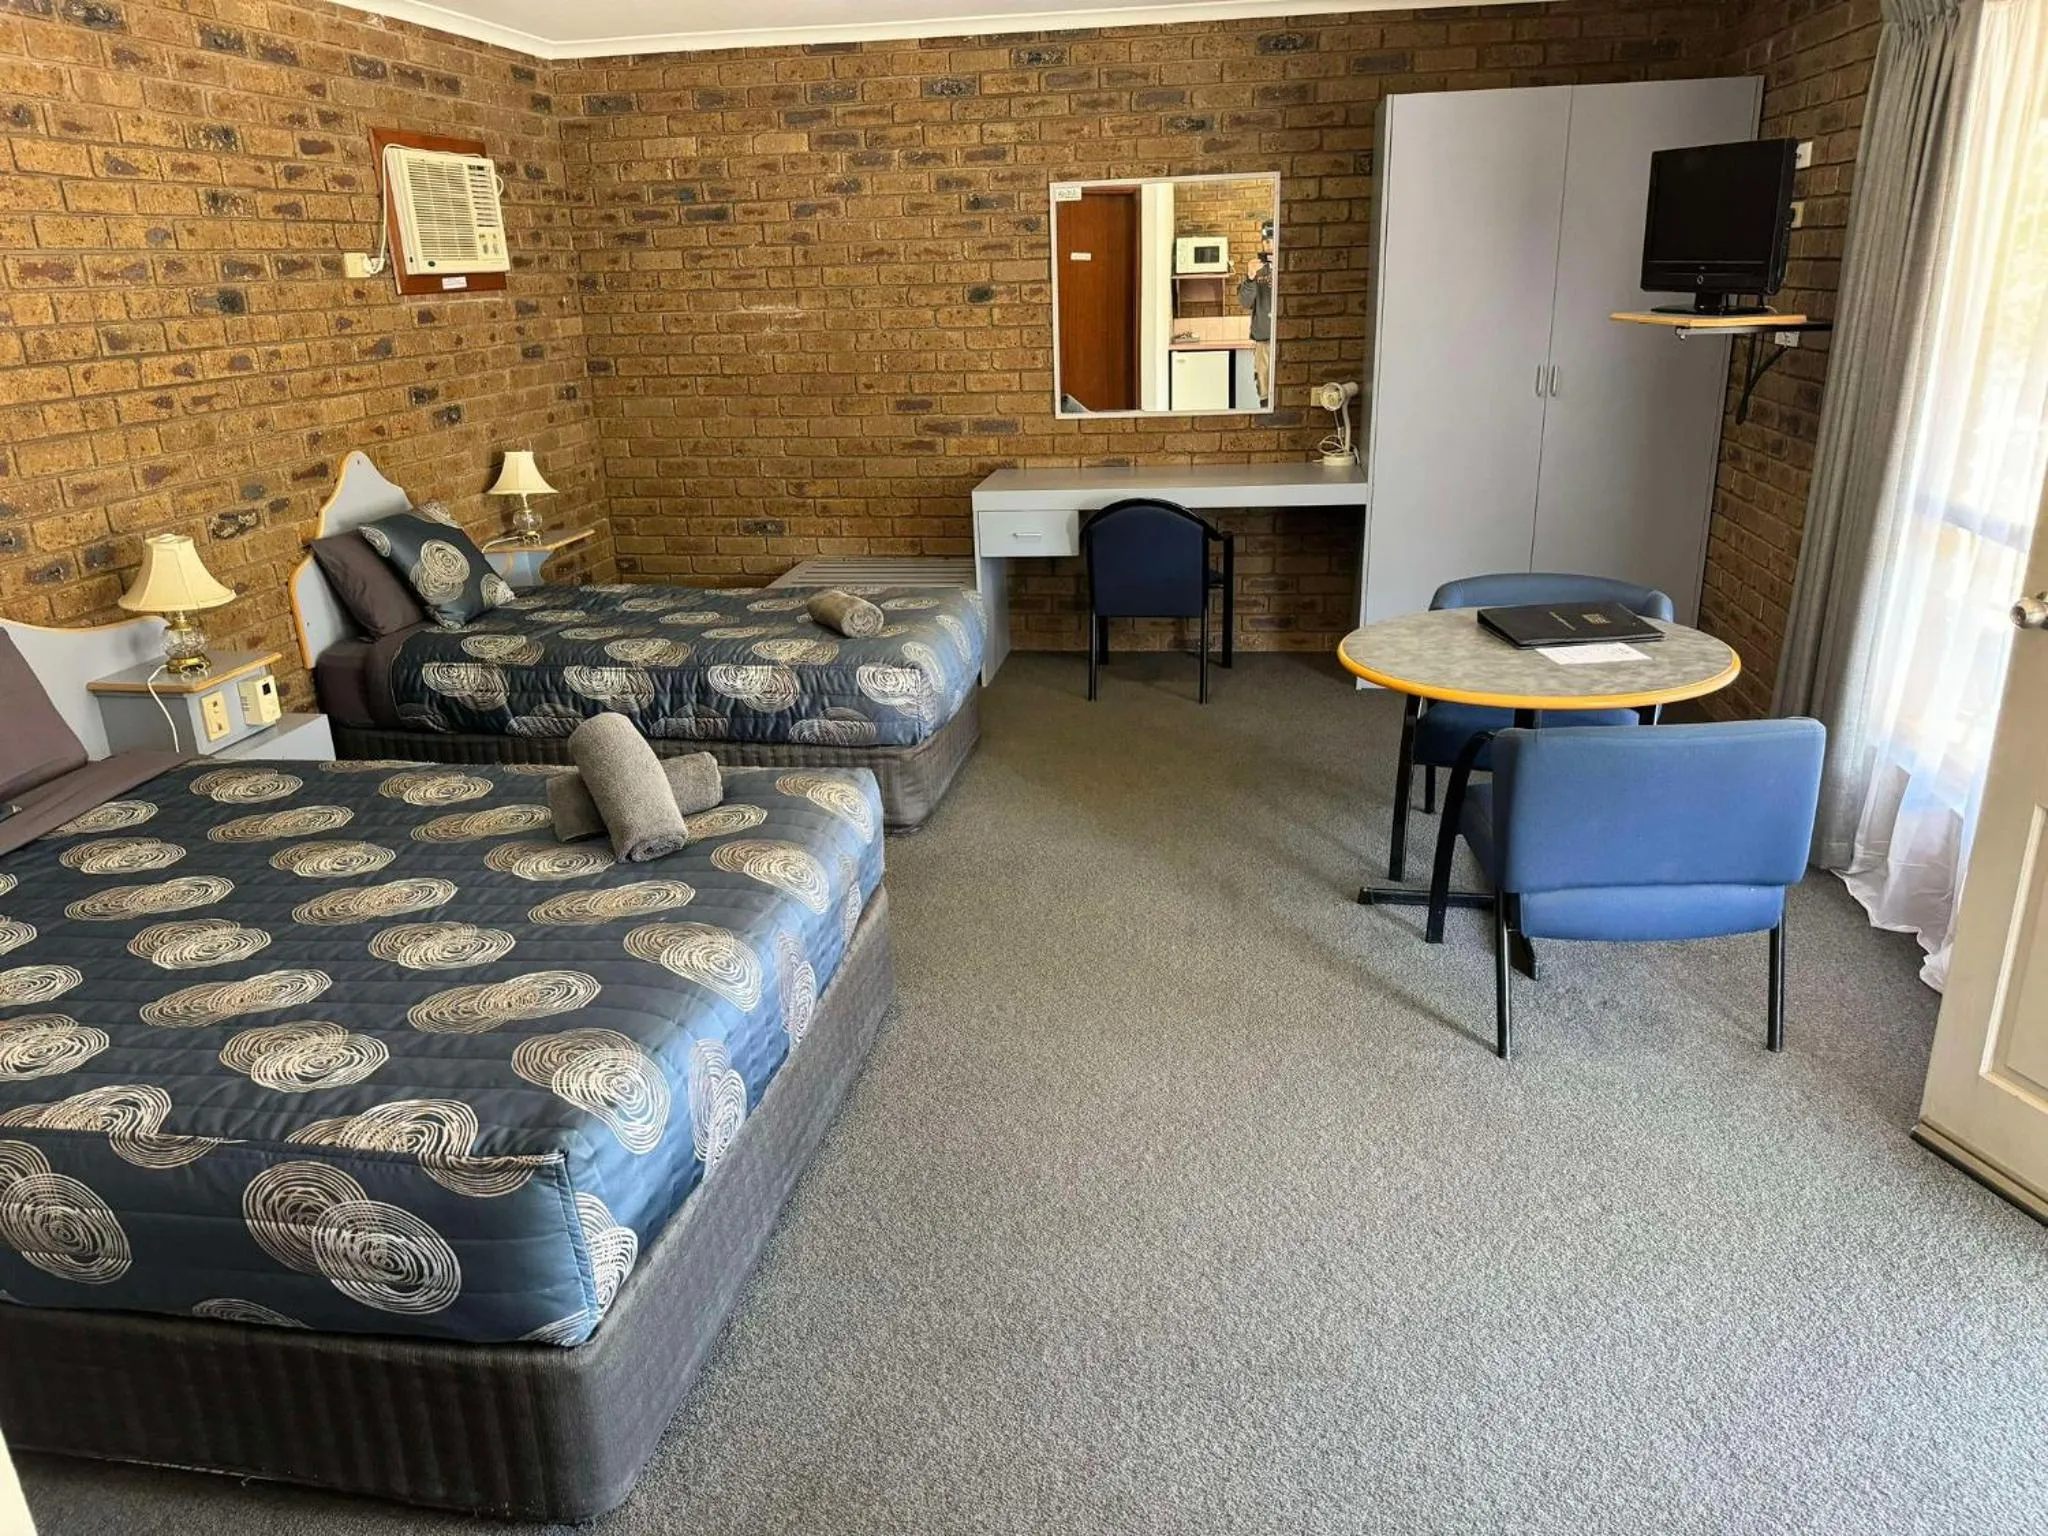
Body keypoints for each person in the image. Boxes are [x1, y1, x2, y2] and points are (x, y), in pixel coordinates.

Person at [1236, 220, 1274, 407]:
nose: (1269, 245)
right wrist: (1250, 277)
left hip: (1290, 338)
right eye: (1265, 241)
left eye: (1273, 240)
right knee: (1265, 396)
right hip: (1263, 340)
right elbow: (1244, 302)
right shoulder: (1257, 268)